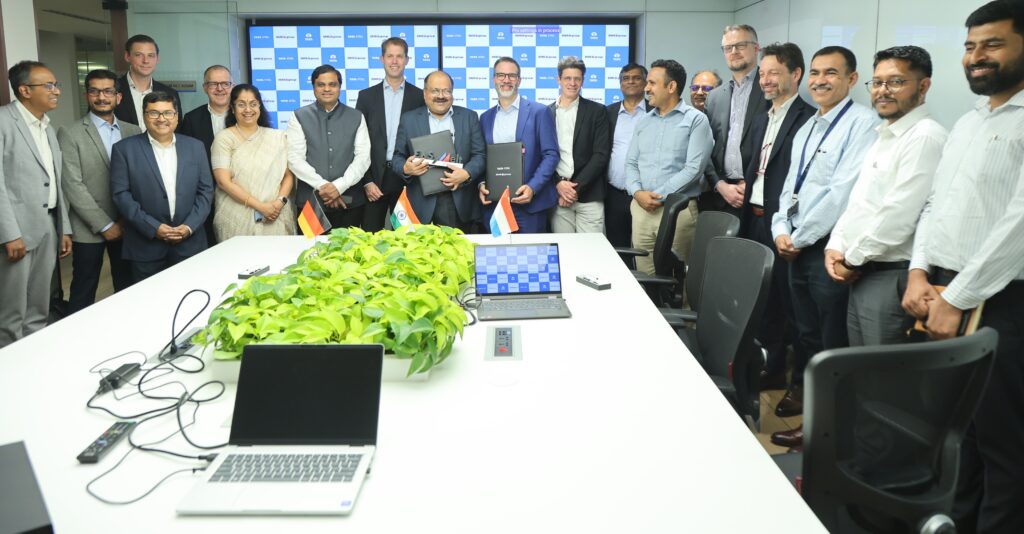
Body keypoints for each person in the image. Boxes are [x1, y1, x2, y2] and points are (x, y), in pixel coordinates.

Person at [902, 2, 1024, 530]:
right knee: (962, 433)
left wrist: (957, 297)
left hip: (1001, 301)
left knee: (1004, 444)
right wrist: (918, 272)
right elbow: (935, 205)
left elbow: (1019, 226)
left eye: (992, 44)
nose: (976, 57)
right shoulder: (970, 123)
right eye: (971, 46)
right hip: (944, 290)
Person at [769, 46, 879, 448]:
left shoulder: (863, 124)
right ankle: (812, 411)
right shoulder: (808, 125)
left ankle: (825, 431)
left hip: (827, 248)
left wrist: (797, 237)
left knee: (832, 341)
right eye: (815, 72)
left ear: (851, 79)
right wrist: (781, 228)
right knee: (805, 334)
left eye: (831, 73)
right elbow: (788, 188)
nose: (819, 80)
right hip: (795, 243)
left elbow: (841, 193)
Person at [824, 46, 947, 347]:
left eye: (895, 82)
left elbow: (898, 216)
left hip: (891, 276)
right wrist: (835, 245)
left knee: (885, 382)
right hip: (861, 272)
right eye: (877, 82)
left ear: (923, 86)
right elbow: (860, 203)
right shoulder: (885, 135)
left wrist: (850, 260)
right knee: (863, 374)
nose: (882, 90)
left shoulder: (925, 136)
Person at [738, 42, 816, 390]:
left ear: (795, 74)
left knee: (792, 305)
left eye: (774, 73)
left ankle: (796, 382)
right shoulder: (761, 120)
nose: (765, 80)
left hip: (783, 223)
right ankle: (769, 364)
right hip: (753, 217)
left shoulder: (809, 120)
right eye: (763, 73)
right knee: (761, 300)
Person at [0, 61, 72, 348]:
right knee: (11, 312)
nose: (57, 91)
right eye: (49, 85)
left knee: (39, 307)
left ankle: (34, 358)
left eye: (56, 85)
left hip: (48, 225)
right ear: (24, 90)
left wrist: (63, 227)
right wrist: (9, 234)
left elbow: (56, 180)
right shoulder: (4, 122)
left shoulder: (47, 127)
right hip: (16, 231)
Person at [57, 69, 141, 314]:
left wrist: (126, 218)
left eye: (108, 91)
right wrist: (105, 225)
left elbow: (139, 180)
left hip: (128, 223)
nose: (101, 97)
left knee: (127, 286)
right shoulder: (70, 133)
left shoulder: (133, 131)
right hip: (89, 228)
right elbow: (72, 185)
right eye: (95, 91)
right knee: (84, 289)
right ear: (87, 95)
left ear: (118, 97)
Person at [111, 92, 213, 282]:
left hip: (190, 244)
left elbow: (205, 191)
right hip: (146, 246)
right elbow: (121, 195)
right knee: (149, 305)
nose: (161, 119)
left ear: (176, 116)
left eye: (167, 113)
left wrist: (189, 226)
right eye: (154, 113)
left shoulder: (195, 147)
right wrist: (154, 227)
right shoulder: (124, 149)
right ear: (144, 115)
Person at [624, 59, 713, 275]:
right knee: (645, 279)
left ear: (671, 87)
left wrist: (656, 195)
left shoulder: (696, 120)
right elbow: (631, 163)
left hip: (678, 211)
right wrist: (637, 192)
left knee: (678, 280)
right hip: (642, 210)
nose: (646, 88)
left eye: (652, 83)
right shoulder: (644, 121)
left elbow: (694, 169)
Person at [392, 70, 486, 231]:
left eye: (446, 91)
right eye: (435, 90)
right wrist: (405, 168)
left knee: (456, 254)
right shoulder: (409, 119)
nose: (441, 96)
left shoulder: (469, 117)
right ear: (425, 93)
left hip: (458, 201)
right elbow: (397, 157)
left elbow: (480, 155)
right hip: (420, 203)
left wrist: (467, 173)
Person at [478, 57, 559, 233]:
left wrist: (532, 187)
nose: (506, 80)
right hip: (495, 205)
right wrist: (482, 184)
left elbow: (551, 155)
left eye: (511, 76)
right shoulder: (485, 118)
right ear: (494, 79)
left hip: (530, 205)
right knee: (498, 257)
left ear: (519, 80)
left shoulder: (540, 112)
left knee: (531, 257)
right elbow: (481, 157)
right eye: (501, 75)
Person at [287, 65, 371, 229]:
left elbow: (363, 158)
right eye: (321, 84)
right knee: (311, 252)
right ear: (313, 87)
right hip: (311, 203)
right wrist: (325, 187)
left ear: (339, 87)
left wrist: (339, 186)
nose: (327, 89)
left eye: (332, 84)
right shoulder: (298, 116)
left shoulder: (356, 116)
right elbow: (295, 159)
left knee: (348, 252)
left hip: (349, 203)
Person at [356, 37, 425, 232]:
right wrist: (367, 181)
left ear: (407, 60)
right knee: (370, 239)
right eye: (390, 56)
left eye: (399, 56)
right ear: (382, 59)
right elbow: (358, 142)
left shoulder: (419, 96)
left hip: (407, 179)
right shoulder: (366, 96)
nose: (394, 61)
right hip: (374, 180)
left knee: (405, 239)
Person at [210, 84, 295, 241]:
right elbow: (223, 182)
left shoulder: (277, 137)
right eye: (241, 104)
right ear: (233, 108)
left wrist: (279, 203)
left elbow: (289, 175)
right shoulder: (224, 138)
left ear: (260, 107)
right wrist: (261, 207)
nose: (248, 110)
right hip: (237, 217)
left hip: (276, 215)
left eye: (253, 104)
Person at [705, 25, 769, 215]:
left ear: (756, 48)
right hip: (722, 196)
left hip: (759, 197)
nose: (733, 52)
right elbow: (706, 148)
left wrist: (754, 183)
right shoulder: (715, 97)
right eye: (728, 48)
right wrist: (719, 184)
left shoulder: (770, 90)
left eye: (740, 45)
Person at [548, 56, 610, 234]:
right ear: (559, 80)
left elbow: (600, 155)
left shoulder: (598, 111)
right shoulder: (546, 113)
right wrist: (559, 184)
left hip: (589, 196)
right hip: (558, 194)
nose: (572, 83)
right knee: (565, 253)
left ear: (582, 80)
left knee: (591, 253)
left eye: (577, 78)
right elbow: (543, 155)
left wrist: (574, 189)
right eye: (567, 78)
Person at [180, 65, 233, 247]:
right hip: (206, 197)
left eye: (225, 83)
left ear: (232, 86)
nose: (220, 89)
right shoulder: (191, 119)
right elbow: (187, 161)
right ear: (205, 87)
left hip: (241, 195)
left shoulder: (245, 114)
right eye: (213, 84)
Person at [605, 62, 648, 248]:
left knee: (645, 248)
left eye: (637, 78)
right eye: (626, 78)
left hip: (646, 194)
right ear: (620, 83)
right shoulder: (608, 112)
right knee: (618, 248)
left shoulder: (657, 112)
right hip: (615, 193)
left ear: (646, 83)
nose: (631, 82)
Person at [114, 34, 181, 130]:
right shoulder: (111, 91)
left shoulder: (170, 93)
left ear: (157, 58)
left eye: (151, 55)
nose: (145, 61)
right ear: (127, 56)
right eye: (138, 55)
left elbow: (177, 130)